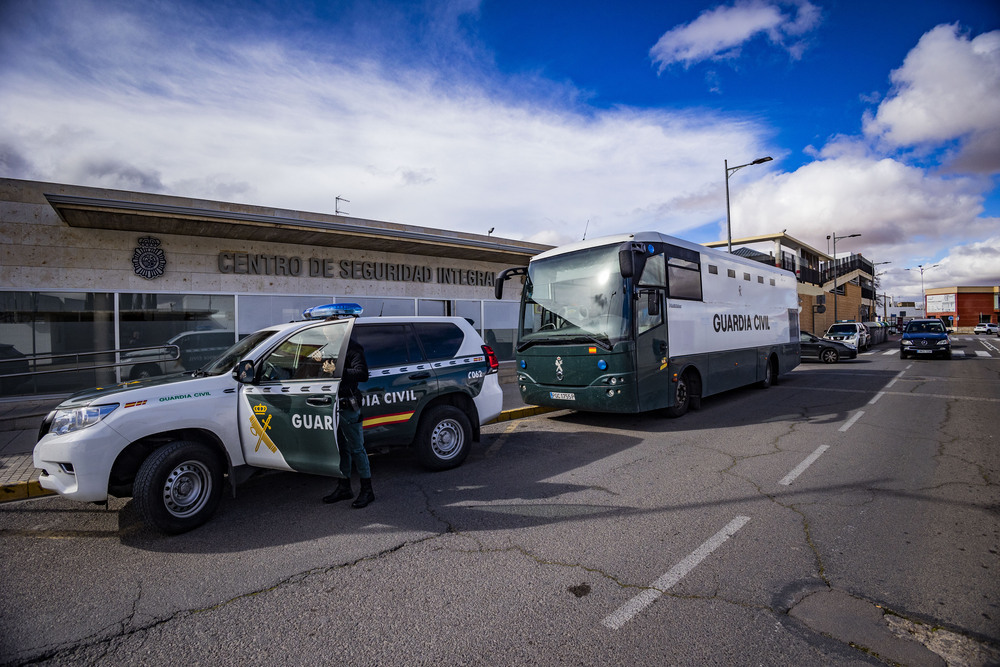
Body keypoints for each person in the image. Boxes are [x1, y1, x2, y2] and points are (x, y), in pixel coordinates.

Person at [320, 335, 374, 508]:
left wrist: (336, 369)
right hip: (332, 405)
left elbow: (362, 374)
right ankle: (344, 488)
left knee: (357, 449)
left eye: (331, 332)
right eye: (326, 333)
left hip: (348, 405)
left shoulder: (353, 348)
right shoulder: (328, 348)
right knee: (341, 448)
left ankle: (367, 491)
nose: (328, 336)